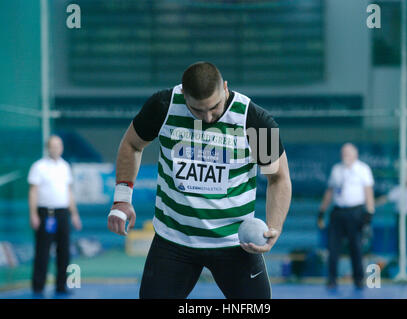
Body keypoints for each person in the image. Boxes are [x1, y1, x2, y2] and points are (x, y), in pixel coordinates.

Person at [107, 61, 292, 299]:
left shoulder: (253, 121)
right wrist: (122, 198)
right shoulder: (163, 107)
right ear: (184, 94)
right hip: (174, 241)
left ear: (225, 88)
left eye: (214, 107)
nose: (207, 117)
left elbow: (278, 178)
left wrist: (274, 226)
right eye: (197, 110)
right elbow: (132, 144)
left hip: (236, 244)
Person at [28, 135, 82, 295]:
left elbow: (69, 192)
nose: (56, 148)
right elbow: (33, 192)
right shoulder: (38, 167)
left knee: (64, 251)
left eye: (59, 145)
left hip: (63, 214)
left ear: (62, 148)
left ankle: (61, 285)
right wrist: (33, 214)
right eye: (53, 145)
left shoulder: (65, 167)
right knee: (42, 251)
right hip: (46, 214)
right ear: (48, 148)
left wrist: (74, 214)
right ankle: (38, 286)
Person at [317, 143, 375, 290]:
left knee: (356, 247)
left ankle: (358, 279)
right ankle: (332, 279)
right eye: (343, 153)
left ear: (355, 154)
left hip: (355, 212)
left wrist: (369, 212)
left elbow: (368, 192)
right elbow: (329, 192)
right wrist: (322, 211)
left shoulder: (363, 169)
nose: (345, 156)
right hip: (338, 213)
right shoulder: (337, 169)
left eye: (348, 153)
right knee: (333, 247)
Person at [376, 160, 407, 262]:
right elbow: (386, 198)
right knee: (399, 237)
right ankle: (399, 258)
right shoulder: (397, 189)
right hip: (399, 215)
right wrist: (373, 203)